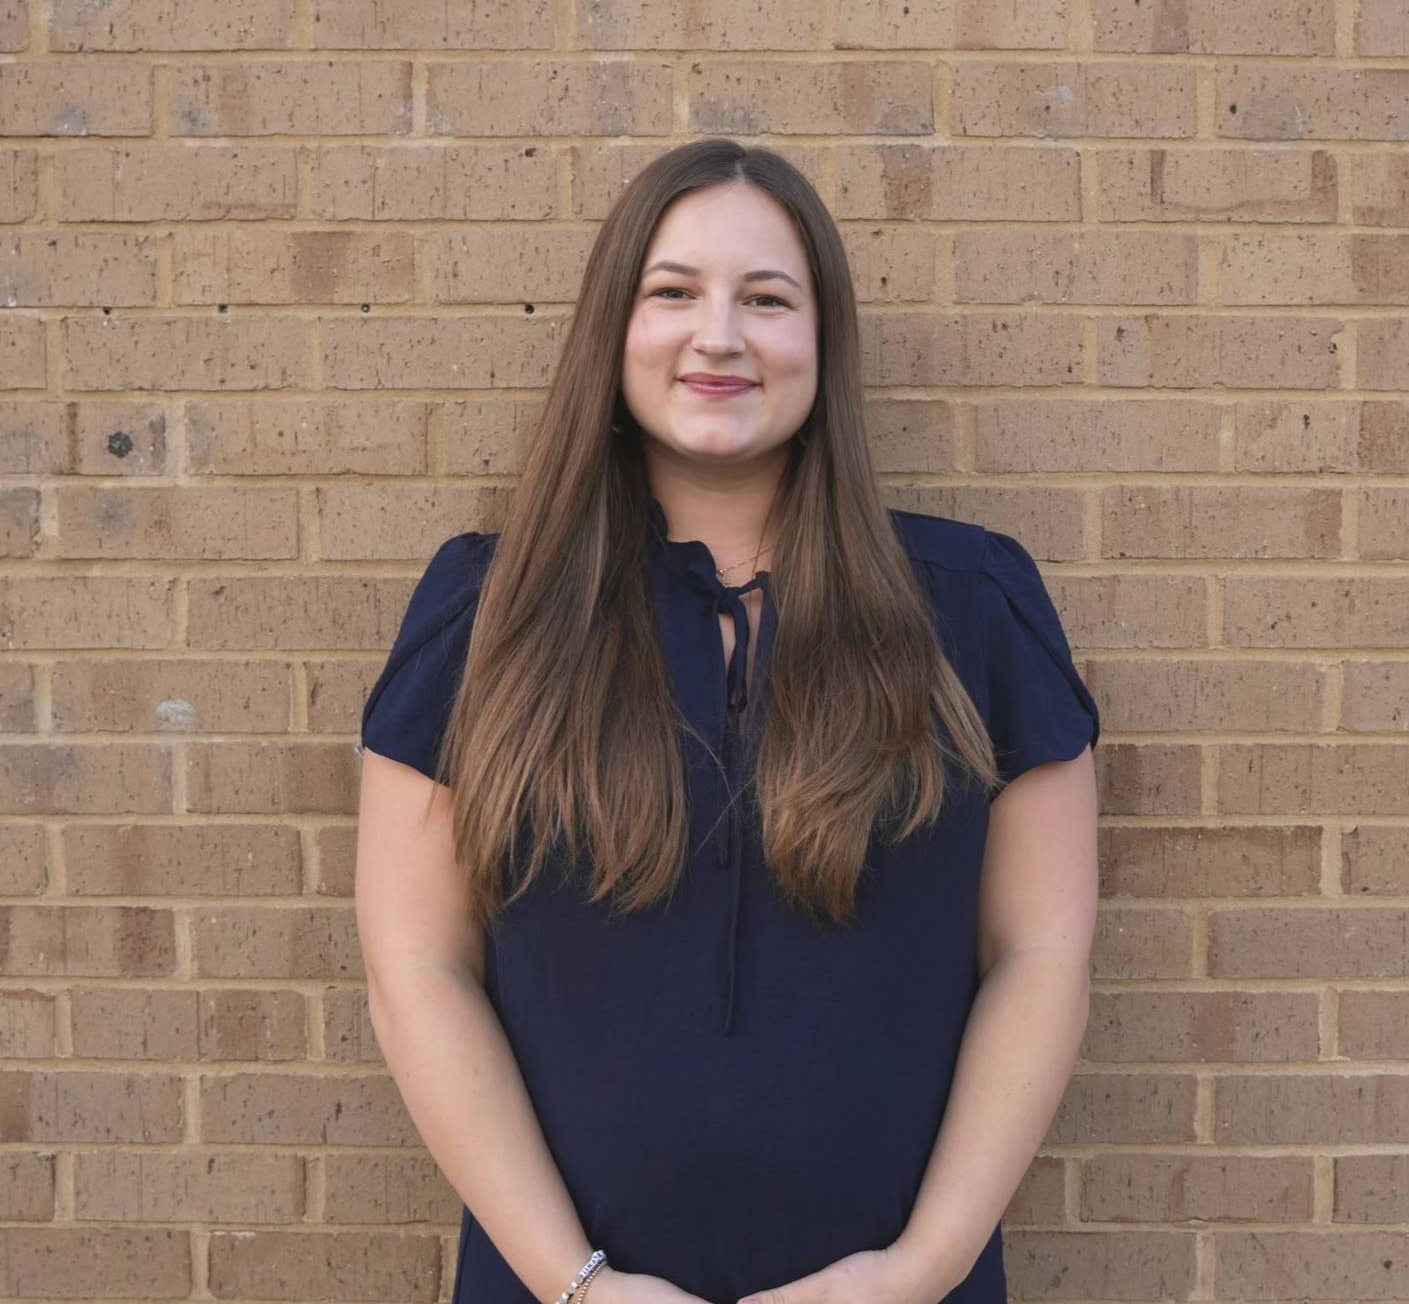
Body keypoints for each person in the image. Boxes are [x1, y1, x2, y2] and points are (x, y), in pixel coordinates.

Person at [356, 138, 1100, 1304]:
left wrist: (918, 1269)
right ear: (613, 326)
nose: (718, 335)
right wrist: (579, 1283)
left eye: (766, 298)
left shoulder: (971, 606)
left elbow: (1040, 955)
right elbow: (417, 967)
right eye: (672, 293)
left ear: (823, 339)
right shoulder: (486, 612)